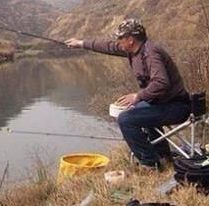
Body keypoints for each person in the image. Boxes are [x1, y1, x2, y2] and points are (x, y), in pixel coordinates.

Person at [65, 19, 191, 169]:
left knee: (126, 120)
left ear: (130, 40)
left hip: (177, 106)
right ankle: (163, 155)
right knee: (136, 111)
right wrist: (80, 43)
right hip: (162, 103)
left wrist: (137, 96)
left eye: (120, 38)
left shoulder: (150, 53)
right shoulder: (134, 50)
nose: (117, 41)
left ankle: (150, 164)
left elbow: (161, 82)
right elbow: (108, 47)